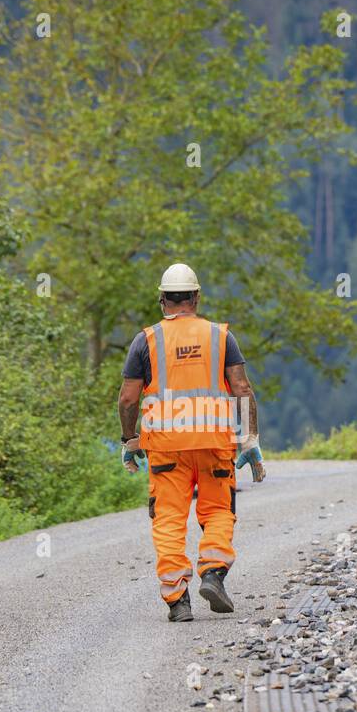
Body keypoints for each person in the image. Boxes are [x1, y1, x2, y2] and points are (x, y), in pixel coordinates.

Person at [117, 262, 265, 622]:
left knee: (168, 518)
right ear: (197, 297)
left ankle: (177, 599)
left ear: (162, 300)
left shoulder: (146, 340)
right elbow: (242, 388)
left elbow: (127, 399)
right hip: (214, 444)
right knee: (217, 510)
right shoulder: (220, 336)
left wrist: (129, 439)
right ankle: (213, 572)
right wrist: (249, 441)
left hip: (166, 449)